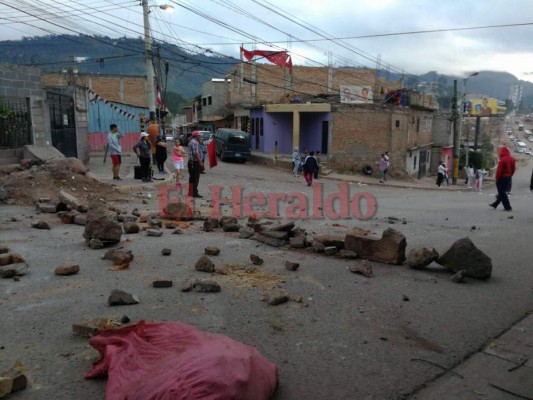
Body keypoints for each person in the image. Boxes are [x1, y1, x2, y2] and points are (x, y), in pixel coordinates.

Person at [489, 146, 515, 211]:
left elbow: (499, 170)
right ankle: (495, 204)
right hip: (508, 177)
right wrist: (510, 175)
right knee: (502, 192)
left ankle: (508, 207)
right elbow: (513, 169)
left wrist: (497, 178)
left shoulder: (502, 159)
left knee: (502, 192)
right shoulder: (512, 159)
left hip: (502, 177)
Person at [187, 131, 204, 198]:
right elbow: (196, 153)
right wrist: (200, 161)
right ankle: (194, 193)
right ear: (196, 136)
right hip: (195, 162)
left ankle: (190, 192)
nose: (200, 137)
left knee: (191, 178)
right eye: (199, 135)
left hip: (191, 162)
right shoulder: (195, 142)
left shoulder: (191, 141)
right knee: (195, 178)